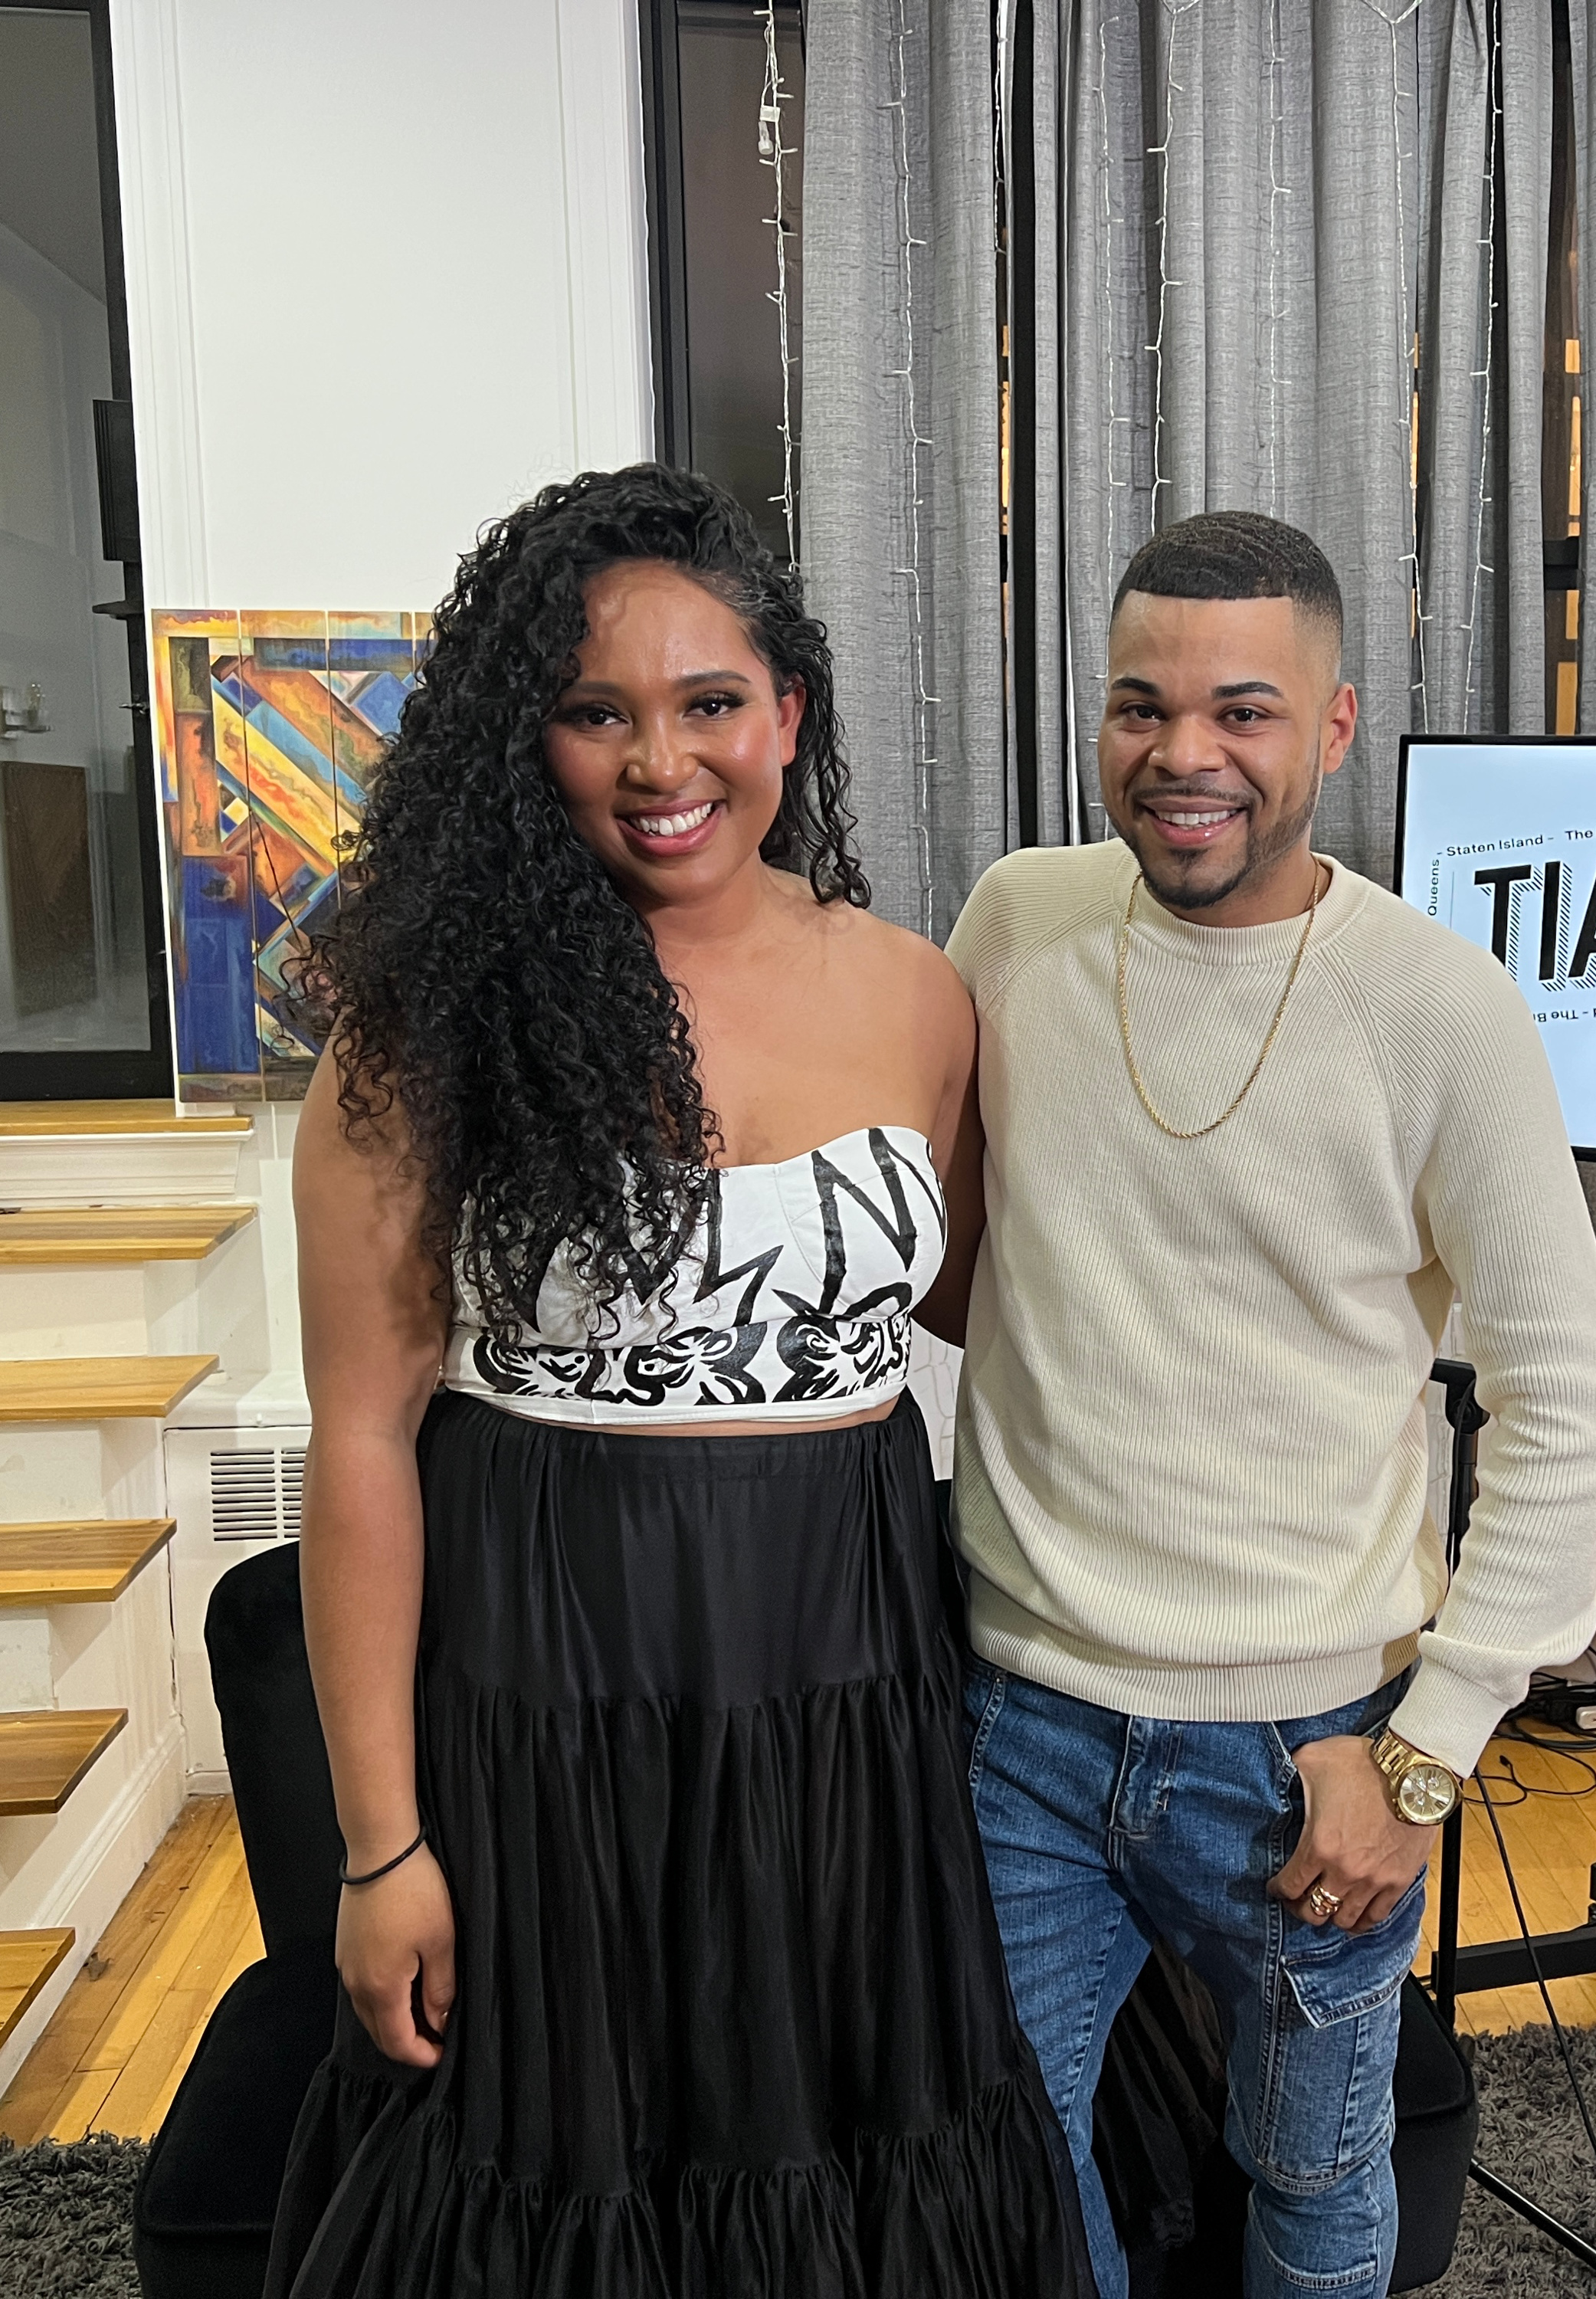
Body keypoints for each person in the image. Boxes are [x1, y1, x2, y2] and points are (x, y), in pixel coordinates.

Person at [267, 465, 1088, 2297]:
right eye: (597, 713)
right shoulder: (425, 1031)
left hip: (852, 1692)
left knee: (849, 2143)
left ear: (787, 710)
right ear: (526, 742)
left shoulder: (920, 994)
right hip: (553, 1707)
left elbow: (998, 1313)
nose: (662, 763)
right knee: (570, 2163)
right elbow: (364, 1440)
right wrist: (383, 1848)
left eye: (710, 701)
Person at [946, 510, 1596, 2297]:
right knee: (1005, 2170)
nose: (1185, 754)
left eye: (1243, 711)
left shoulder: (1439, 1008)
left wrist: (1429, 1754)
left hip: (1308, 1747)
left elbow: (1569, 1404)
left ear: (1332, 727)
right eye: (1142, 705)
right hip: (1018, 1714)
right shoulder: (1016, 919)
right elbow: (951, 1241)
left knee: (1314, 2177)